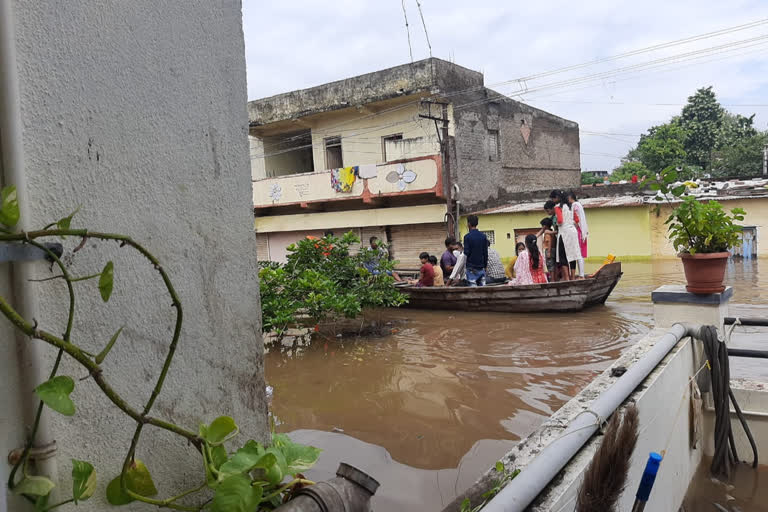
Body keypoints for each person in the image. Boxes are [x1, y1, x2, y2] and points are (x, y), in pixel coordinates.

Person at [551, 191, 582, 280]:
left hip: (564, 233)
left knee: (562, 256)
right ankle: (572, 277)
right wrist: (571, 224)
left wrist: (556, 224)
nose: (553, 200)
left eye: (553, 198)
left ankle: (567, 278)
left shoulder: (557, 207)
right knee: (573, 255)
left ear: (557, 198)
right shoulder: (571, 206)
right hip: (573, 232)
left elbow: (560, 221)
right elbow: (577, 220)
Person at [463, 215, 488, 287]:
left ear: (469, 224)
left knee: (473, 291)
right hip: (481, 267)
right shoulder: (483, 236)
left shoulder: (467, 237)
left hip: (471, 268)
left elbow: (466, 253)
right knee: (483, 290)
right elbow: (485, 253)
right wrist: (485, 266)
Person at [567, 191, 589, 262]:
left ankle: (581, 273)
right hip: (582, 229)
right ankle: (581, 273)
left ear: (570, 198)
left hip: (578, 229)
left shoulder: (574, 205)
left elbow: (576, 219)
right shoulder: (579, 204)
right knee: (580, 253)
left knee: (579, 253)